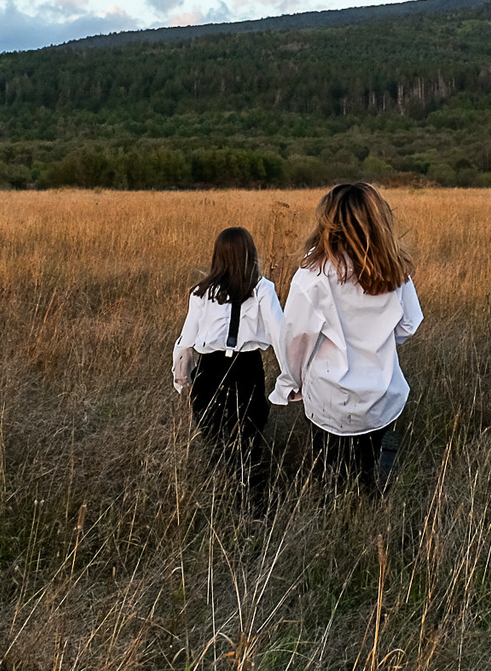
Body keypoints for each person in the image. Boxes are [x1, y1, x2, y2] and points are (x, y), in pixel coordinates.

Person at [273, 182, 422, 496]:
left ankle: (340, 518)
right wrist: (377, 341)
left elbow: (296, 340)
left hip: (328, 400)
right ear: (379, 220)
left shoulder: (312, 274)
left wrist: (291, 383)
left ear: (328, 222)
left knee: (331, 480)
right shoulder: (394, 268)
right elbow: (408, 326)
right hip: (382, 396)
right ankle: (371, 514)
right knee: (370, 474)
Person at [171, 226, 282, 514]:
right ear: (250, 254)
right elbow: (280, 336)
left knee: (216, 442)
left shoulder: (202, 293)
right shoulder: (262, 289)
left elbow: (185, 342)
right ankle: (253, 508)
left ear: (217, 256)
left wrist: (182, 380)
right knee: (249, 441)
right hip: (246, 369)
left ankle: (222, 504)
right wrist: (291, 378)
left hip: (209, 371)